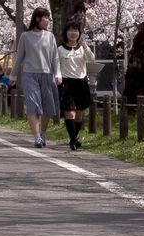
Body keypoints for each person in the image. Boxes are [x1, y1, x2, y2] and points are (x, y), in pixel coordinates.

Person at [14, 8, 60, 148]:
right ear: (37, 18)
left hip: (47, 74)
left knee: (47, 107)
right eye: (46, 17)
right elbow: (19, 57)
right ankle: (37, 137)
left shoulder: (50, 36)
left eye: (48, 18)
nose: (48, 20)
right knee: (32, 106)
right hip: (29, 75)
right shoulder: (25, 36)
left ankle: (43, 133)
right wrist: (13, 75)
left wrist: (58, 74)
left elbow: (55, 57)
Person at [56, 22, 94, 150]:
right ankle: (73, 140)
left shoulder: (82, 48)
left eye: (76, 31)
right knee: (70, 113)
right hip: (67, 83)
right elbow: (56, 65)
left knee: (79, 113)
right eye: (71, 30)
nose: (73, 33)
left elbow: (91, 59)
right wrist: (58, 76)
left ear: (79, 33)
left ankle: (74, 138)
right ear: (66, 33)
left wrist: (86, 48)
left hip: (81, 82)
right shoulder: (60, 49)